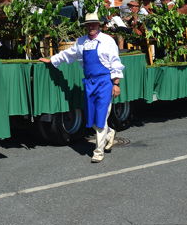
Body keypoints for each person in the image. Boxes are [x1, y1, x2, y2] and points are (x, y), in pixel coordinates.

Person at [39, 12, 124, 163]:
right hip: (90, 83)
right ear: (85, 27)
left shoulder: (107, 41)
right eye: (88, 25)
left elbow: (115, 62)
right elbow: (68, 54)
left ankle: (98, 151)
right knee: (91, 118)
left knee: (101, 116)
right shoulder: (81, 42)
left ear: (99, 25)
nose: (91, 27)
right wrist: (52, 60)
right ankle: (109, 133)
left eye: (93, 24)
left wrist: (116, 84)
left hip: (105, 82)